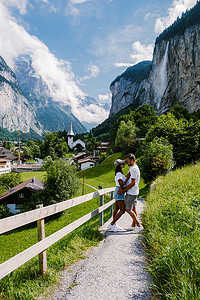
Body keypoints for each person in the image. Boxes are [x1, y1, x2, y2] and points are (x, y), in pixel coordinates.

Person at [118, 153, 143, 233]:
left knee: (128, 209)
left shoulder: (133, 169)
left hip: (131, 192)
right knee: (133, 209)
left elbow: (133, 183)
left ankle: (139, 226)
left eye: (127, 161)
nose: (126, 162)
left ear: (132, 160)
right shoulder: (133, 168)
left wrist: (123, 190)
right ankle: (133, 225)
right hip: (133, 191)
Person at [108, 159, 129, 232]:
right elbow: (121, 184)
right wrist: (128, 178)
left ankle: (114, 225)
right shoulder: (119, 174)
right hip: (119, 191)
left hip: (118, 191)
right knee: (122, 210)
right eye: (122, 163)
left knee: (116, 208)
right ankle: (112, 224)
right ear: (119, 165)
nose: (124, 164)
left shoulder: (119, 173)